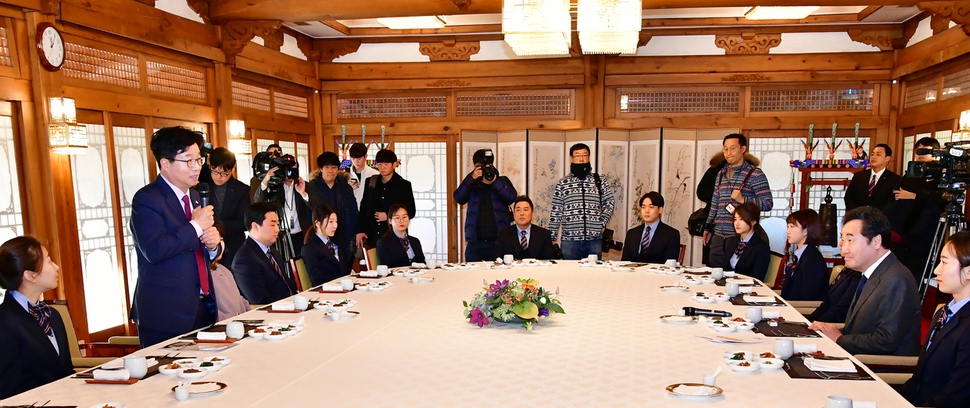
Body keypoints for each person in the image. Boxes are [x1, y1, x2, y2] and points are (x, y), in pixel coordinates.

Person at [129, 127, 222, 347]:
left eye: (199, 160)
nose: (196, 167)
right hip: (166, 313)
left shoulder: (197, 196)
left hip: (203, 306)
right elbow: (154, 250)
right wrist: (196, 226)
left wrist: (214, 246)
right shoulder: (147, 199)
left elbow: (201, 248)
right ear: (165, 163)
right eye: (188, 161)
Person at [809, 206, 921, 356]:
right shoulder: (873, 272)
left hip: (879, 368)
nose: (844, 249)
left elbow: (886, 340)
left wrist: (839, 338)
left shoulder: (896, 279)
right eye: (843, 240)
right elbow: (859, 330)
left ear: (876, 241)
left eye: (850, 240)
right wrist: (829, 331)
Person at [900, 231, 970, 408]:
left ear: (968, 271)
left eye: (945, 262)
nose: (937, 269)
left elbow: (956, 396)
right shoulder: (943, 313)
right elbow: (919, 379)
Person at [0, 236, 73, 399]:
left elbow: (66, 372)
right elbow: (8, 390)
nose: (57, 267)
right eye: (49, 261)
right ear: (30, 275)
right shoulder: (4, 322)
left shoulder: (53, 314)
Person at [703, 133, 773, 268]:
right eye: (725, 149)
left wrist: (743, 199)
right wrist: (708, 227)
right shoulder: (720, 174)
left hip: (738, 235)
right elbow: (715, 203)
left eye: (733, 148)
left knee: (733, 275)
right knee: (714, 274)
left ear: (743, 149)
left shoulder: (755, 174)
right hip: (718, 234)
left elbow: (768, 203)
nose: (728, 153)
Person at [887, 137, 945, 280]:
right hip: (904, 223)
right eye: (918, 150)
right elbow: (899, 191)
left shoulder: (940, 172)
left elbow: (940, 198)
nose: (921, 153)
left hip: (923, 228)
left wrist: (914, 196)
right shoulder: (914, 170)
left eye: (925, 150)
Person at [548, 143, 616, 260]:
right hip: (570, 241)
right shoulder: (563, 183)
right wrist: (551, 238)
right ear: (571, 158)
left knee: (593, 274)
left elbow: (609, 201)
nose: (581, 158)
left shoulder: (599, 180)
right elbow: (556, 211)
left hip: (594, 240)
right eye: (577, 155)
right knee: (570, 275)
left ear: (589, 157)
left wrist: (601, 222)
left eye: (585, 155)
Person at [454, 149, 518, 261]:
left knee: (499, 275)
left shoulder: (501, 181)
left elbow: (511, 198)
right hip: (475, 242)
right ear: (475, 167)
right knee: (473, 276)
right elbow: (458, 198)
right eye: (480, 167)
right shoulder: (472, 184)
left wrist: (494, 182)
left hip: (498, 241)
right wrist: (471, 178)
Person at [232, 202, 296, 305]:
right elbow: (260, 302)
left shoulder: (272, 251)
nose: (277, 229)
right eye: (272, 225)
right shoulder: (244, 260)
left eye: (278, 224)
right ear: (255, 226)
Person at [253, 155, 312, 255]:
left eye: (294, 169)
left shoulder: (304, 185)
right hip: (279, 238)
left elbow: (315, 207)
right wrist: (266, 180)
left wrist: (303, 194)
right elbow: (257, 201)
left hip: (301, 235)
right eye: (288, 170)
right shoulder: (274, 187)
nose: (291, 173)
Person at [356, 149, 416, 248]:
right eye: (379, 164)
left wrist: (389, 216)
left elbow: (411, 211)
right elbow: (363, 208)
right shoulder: (371, 182)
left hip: (394, 235)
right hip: (372, 235)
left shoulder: (404, 185)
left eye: (386, 164)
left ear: (394, 164)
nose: (382, 167)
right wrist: (359, 230)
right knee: (373, 262)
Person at [306, 151, 358, 252]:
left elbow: (353, 211)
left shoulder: (345, 187)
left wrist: (354, 234)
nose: (331, 171)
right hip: (322, 235)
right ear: (321, 169)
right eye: (327, 167)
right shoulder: (312, 187)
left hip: (344, 235)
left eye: (334, 167)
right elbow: (311, 211)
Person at [207, 147, 251, 267]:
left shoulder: (241, 190)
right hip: (209, 245)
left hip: (233, 246)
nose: (218, 176)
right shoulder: (203, 187)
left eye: (224, 173)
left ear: (232, 169)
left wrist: (218, 228)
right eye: (214, 171)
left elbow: (244, 222)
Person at [780, 209, 828, 301]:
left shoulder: (812, 260)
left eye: (792, 226)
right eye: (788, 226)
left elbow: (808, 297)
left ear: (806, 230)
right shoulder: (803, 254)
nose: (787, 231)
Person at [207, 221, 251, 321]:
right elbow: (210, 311)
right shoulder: (202, 274)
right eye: (215, 240)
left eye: (221, 239)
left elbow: (240, 300)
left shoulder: (223, 269)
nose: (220, 244)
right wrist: (235, 320)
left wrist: (250, 316)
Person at [621, 191, 680, 264]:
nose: (646, 211)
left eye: (651, 207)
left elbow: (670, 265)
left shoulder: (671, 234)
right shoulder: (632, 233)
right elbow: (624, 263)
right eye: (643, 207)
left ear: (660, 210)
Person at [303, 204, 352, 286]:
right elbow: (317, 280)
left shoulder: (336, 243)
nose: (335, 226)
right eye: (330, 221)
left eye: (336, 221)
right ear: (318, 223)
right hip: (328, 292)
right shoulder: (309, 248)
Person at [844, 143, 901, 212]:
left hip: (881, 219)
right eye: (872, 154)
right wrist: (857, 213)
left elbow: (892, 203)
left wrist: (875, 215)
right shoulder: (858, 176)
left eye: (878, 154)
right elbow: (849, 198)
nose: (873, 157)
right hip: (858, 217)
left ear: (887, 159)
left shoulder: (894, 180)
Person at [495, 196, 555, 260]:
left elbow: (548, 261)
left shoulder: (544, 235)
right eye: (518, 210)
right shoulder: (503, 235)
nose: (522, 213)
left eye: (525, 209)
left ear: (532, 214)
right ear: (513, 214)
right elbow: (498, 260)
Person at [723, 202, 770, 281]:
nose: (737, 223)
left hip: (747, 289)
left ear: (753, 221)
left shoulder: (761, 247)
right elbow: (724, 268)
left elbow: (757, 278)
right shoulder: (731, 241)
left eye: (741, 219)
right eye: (735, 219)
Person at [696, 152, 726, 266]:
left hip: (739, 221)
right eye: (727, 149)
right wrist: (719, 196)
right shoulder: (715, 169)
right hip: (714, 220)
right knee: (712, 262)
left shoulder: (749, 172)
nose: (729, 153)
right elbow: (701, 192)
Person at [376, 204, 426, 268]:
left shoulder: (415, 241)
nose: (402, 221)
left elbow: (422, 263)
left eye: (404, 217)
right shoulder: (383, 243)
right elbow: (385, 267)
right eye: (397, 218)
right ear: (390, 221)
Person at [347, 142, 379, 210]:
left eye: (359, 158)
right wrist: (348, 189)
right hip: (350, 212)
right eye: (353, 158)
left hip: (369, 212)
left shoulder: (375, 174)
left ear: (365, 156)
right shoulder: (345, 175)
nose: (356, 161)